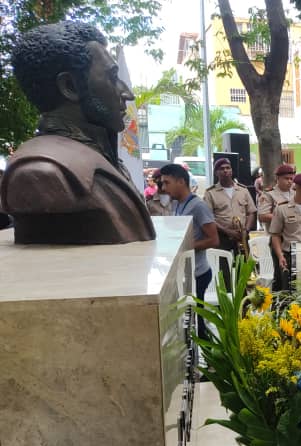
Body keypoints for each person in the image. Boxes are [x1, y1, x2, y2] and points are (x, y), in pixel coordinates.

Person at [1, 21, 155, 244]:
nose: (127, 93)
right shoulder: (42, 173)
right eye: (112, 77)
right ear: (70, 86)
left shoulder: (103, 156)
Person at [160, 163, 218, 339]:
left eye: (166, 182)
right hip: (186, 273)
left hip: (198, 273)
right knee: (191, 319)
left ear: (180, 182)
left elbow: (214, 239)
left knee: (197, 321)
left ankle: (209, 360)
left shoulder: (198, 206)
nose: (163, 188)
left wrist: (185, 246)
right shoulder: (178, 205)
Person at [203, 158, 256, 252]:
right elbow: (208, 218)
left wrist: (246, 230)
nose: (225, 170)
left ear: (232, 171)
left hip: (242, 237)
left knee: (244, 265)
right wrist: (227, 231)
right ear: (216, 173)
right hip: (222, 237)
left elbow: (251, 212)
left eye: (228, 168)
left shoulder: (243, 190)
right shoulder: (210, 193)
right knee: (224, 266)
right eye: (221, 168)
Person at [258, 164, 295, 228]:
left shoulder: (295, 193)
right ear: (277, 178)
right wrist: (285, 218)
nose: (289, 181)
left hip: (293, 234)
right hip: (276, 234)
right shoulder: (269, 194)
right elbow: (262, 216)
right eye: (286, 178)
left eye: (291, 179)